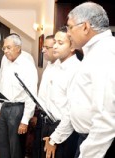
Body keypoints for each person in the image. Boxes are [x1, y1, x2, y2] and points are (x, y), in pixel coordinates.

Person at [44, 2, 115, 158]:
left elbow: (106, 118)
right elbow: (79, 102)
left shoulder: (104, 53)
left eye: (69, 27)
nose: (68, 33)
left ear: (85, 27)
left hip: (99, 144)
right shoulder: (93, 52)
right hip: (85, 138)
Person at [0, 33, 38, 158]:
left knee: (16, 146)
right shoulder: (4, 60)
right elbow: (1, 85)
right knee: (3, 144)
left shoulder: (27, 64)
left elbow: (31, 94)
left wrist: (25, 120)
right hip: (4, 106)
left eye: (9, 48)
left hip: (18, 108)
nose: (5, 51)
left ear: (18, 48)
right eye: (4, 48)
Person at [38, 27, 79, 158]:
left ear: (72, 47)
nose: (54, 46)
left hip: (63, 131)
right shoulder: (54, 66)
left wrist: (55, 139)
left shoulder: (76, 70)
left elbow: (71, 112)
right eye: (55, 42)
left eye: (60, 43)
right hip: (49, 124)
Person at [32, 35, 59, 158]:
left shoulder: (62, 68)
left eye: (46, 47)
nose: (43, 51)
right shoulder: (49, 65)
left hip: (55, 123)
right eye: (43, 47)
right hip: (43, 118)